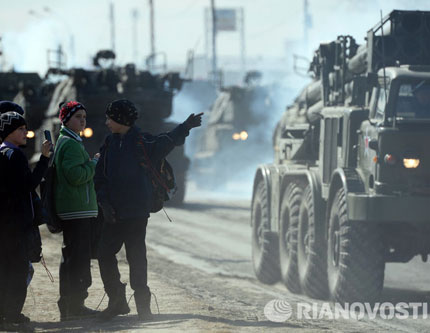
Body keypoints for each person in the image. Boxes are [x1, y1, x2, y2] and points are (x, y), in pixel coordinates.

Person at [95, 99, 202, 321]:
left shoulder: (142, 142)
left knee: (136, 258)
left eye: (109, 118)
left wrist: (186, 126)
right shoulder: (109, 143)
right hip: (113, 213)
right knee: (104, 254)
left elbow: (168, 140)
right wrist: (104, 203)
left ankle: (143, 306)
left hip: (136, 213)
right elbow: (100, 178)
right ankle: (116, 300)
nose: (106, 122)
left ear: (121, 120)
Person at [0, 108, 51, 326]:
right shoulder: (15, 155)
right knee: (18, 272)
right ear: (9, 131)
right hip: (16, 225)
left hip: (3, 224)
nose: (25, 132)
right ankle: (12, 315)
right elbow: (28, 186)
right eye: (21, 129)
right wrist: (44, 159)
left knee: (3, 272)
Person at [54, 101, 100, 321]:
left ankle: (72, 304)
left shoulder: (69, 140)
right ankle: (74, 306)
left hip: (76, 209)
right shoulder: (71, 144)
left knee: (74, 258)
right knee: (78, 260)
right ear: (66, 119)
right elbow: (76, 176)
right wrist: (93, 164)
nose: (82, 120)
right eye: (78, 116)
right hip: (76, 210)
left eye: (84, 116)